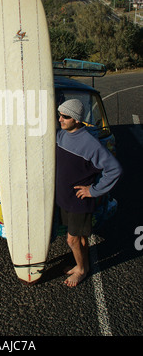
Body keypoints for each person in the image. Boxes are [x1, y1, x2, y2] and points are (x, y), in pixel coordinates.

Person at [56, 99, 122, 287]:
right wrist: (0, 133)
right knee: (80, 238)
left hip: (79, 202)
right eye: (59, 115)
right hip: (67, 199)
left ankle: (82, 270)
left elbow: (114, 169)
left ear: (77, 120)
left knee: (72, 239)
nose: (60, 119)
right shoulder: (61, 134)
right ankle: (81, 264)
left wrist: (94, 191)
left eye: (65, 117)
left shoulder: (90, 143)